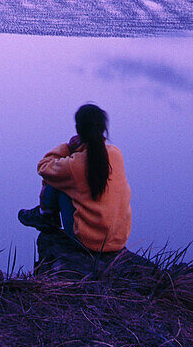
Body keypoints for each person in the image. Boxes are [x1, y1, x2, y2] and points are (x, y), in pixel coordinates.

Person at [18, 103, 131, 253]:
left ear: (78, 130)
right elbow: (92, 156)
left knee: (58, 179)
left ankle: (46, 216)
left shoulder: (74, 165)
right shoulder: (116, 153)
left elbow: (44, 167)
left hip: (88, 242)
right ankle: (47, 215)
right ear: (103, 129)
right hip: (118, 240)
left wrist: (67, 148)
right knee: (68, 179)